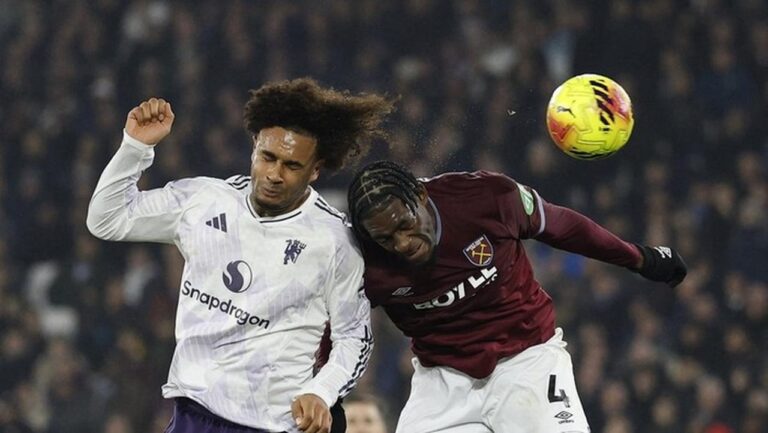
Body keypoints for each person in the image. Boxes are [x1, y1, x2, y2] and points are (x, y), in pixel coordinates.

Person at [87, 78, 395, 433]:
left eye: (292, 166)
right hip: (192, 415)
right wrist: (134, 148)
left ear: (315, 170)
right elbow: (107, 220)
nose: (274, 174)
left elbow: (355, 337)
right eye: (268, 157)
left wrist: (321, 391)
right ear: (254, 147)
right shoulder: (203, 201)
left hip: (272, 424)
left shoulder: (335, 241)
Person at [346, 160, 687, 433]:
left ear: (420, 195)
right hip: (443, 381)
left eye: (405, 225)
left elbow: (561, 226)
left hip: (527, 361)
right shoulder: (359, 259)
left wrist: (638, 258)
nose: (402, 244)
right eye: (386, 238)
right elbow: (334, 327)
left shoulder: (486, 198)